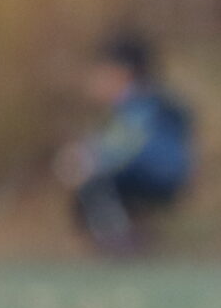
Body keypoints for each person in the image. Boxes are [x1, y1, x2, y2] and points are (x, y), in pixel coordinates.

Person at [57, 35, 194, 256]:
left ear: (123, 72)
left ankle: (118, 240)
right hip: (164, 173)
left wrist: (85, 158)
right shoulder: (155, 100)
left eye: (104, 73)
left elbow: (123, 145)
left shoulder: (139, 104)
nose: (98, 81)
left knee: (91, 179)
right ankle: (128, 237)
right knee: (92, 175)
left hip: (155, 173)